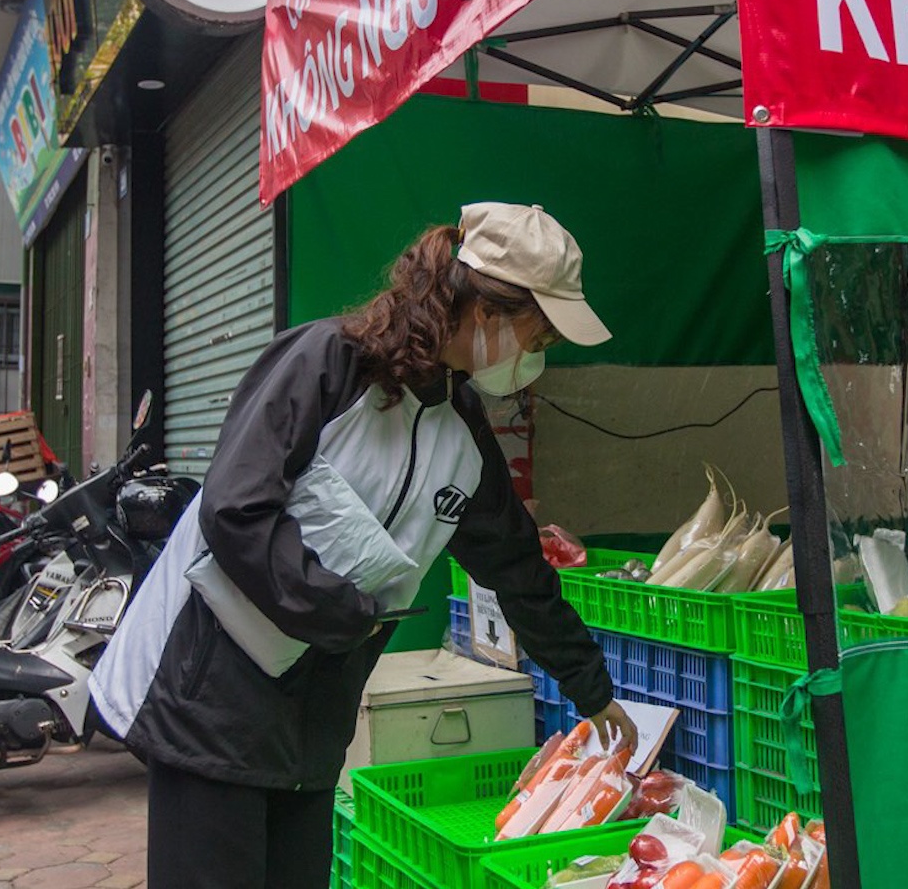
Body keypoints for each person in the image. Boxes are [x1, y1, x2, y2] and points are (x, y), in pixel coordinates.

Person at [90, 202, 637, 889]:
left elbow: (518, 568)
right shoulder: (326, 363)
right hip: (212, 694)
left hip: (316, 716)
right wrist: (339, 611)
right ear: (486, 311)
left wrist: (592, 690)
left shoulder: (460, 427)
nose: (537, 358)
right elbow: (237, 510)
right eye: (540, 335)